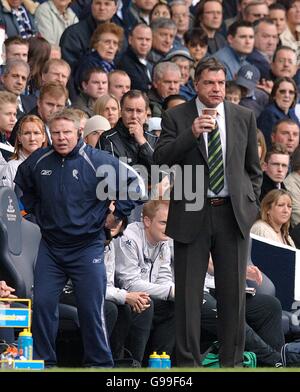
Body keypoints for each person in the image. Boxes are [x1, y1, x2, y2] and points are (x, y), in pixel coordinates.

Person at [153, 57, 262, 367]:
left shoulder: (243, 115)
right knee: (188, 297)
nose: (217, 89)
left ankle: (232, 363)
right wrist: (192, 132)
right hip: (191, 214)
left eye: (221, 83)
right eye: (210, 83)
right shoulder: (177, 116)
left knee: (233, 296)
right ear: (196, 85)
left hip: (232, 215)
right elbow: (160, 160)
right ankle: (187, 364)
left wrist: (249, 205)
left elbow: (253, 169)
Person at [14, 108, 144, 367]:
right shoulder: (39, 160)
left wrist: (116, 214)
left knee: (91, 309)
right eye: (56, 133)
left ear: (79, 134)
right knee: (41, 304)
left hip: (87, 246)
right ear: (50, 135)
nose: (62, 138)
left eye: (67, 133)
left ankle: (99, 363)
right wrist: (35, 214)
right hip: (51, 247)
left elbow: (133, 185)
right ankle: (43, 362)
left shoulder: (98, 160)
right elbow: (22, 187)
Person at [0, 115, 47, 189]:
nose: (32, 138)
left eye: (36, 133)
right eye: (27, 133)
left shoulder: (51, 165)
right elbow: (6, 198)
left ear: (44, 137)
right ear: (19, 138)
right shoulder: (11, 167)